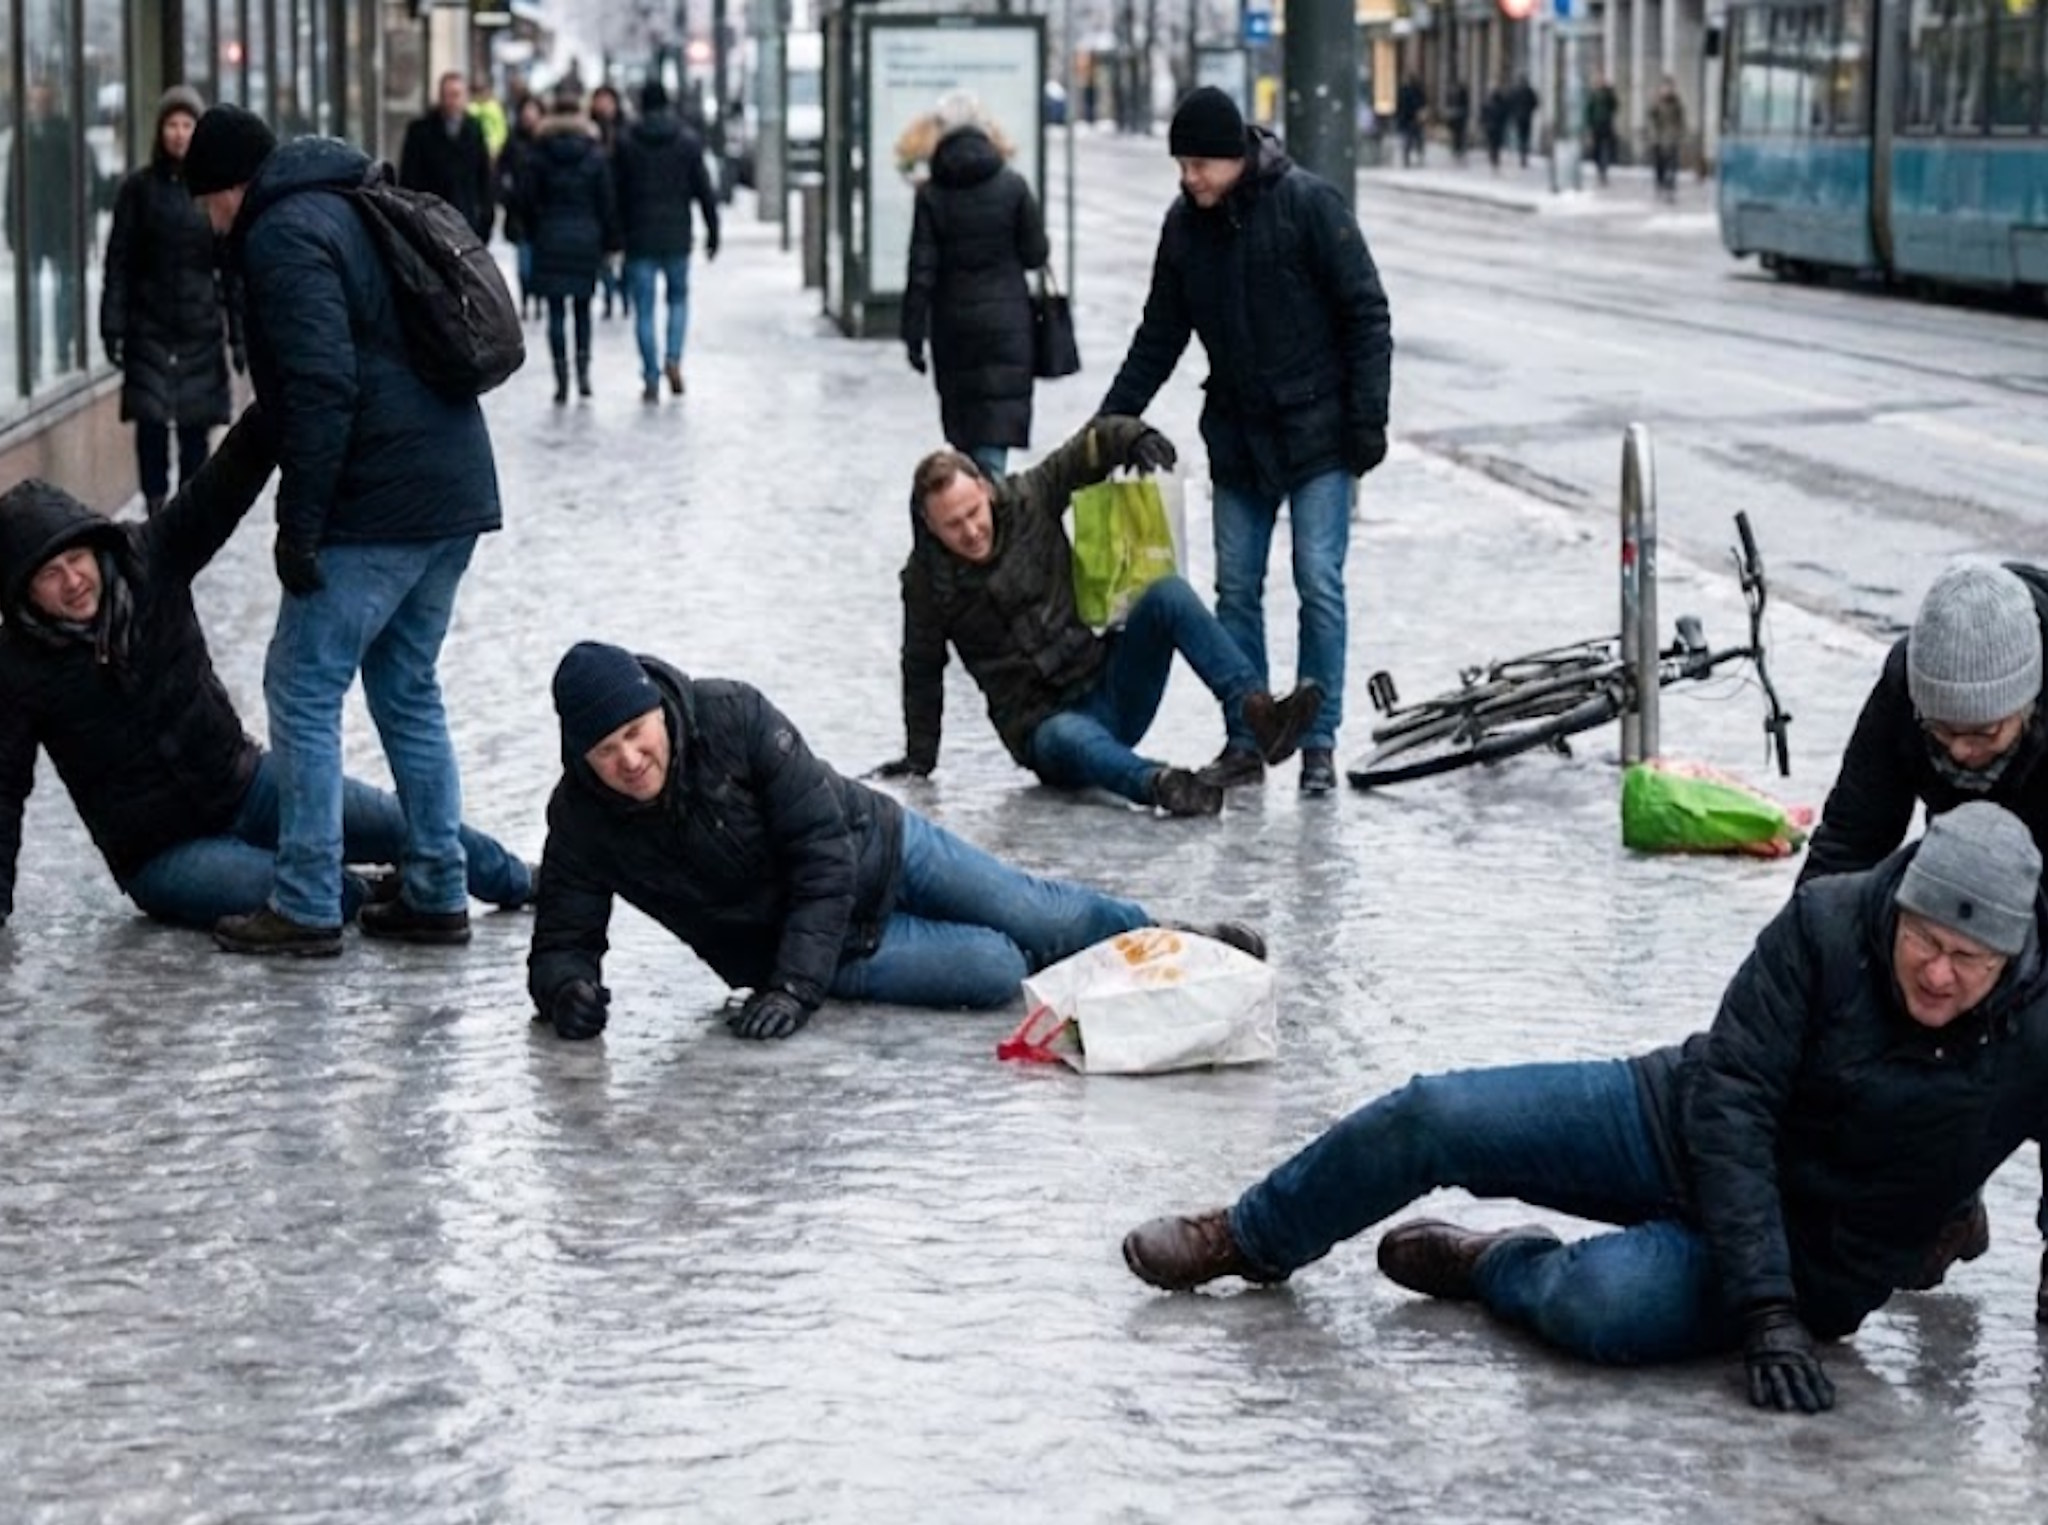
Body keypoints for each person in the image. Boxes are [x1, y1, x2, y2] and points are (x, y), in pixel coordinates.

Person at [1124, 803, 2048, 1413]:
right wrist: (1761, 1308)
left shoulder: (2037, 1029)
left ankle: (1493, 1262)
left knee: (1593, 1304)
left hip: (1814, 1253)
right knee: (1435, 1110)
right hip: (1674, 1119)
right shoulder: (1828, 923)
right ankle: (1249, 1234)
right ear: (1899, 908)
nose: (1938, 971)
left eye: (1969, 961)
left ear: (2012, 958)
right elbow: (1733, 1101)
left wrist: (1785, 1302)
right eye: (1925, 940)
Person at [528, 642, 1266, 1041]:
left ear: (657, 710)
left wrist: (792, 988)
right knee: (994, 967)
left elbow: (820, 847)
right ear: (580, 758)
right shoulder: (582, 819)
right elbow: (561, 936)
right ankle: (1083, 968)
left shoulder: (732, 715)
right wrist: (568, 993)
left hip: (878, 845)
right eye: (605, 751)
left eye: (635, 733)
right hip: (823, 947)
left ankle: (1171, 941)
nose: (628, 758)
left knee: (1043, 917)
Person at [0, 410, 532, 940]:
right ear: (24, 592)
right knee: (325, 896)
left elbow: (225, 481)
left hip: (248, 785)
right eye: (50, 574)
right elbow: (3, 789)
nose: (72, 581)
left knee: (401, 823)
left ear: (96, 547)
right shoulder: (18, 668)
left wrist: (284, 391)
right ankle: (375, 889)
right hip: (164, 855)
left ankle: (520, 879)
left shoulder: (149, 560)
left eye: (77, 559)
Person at [184, 104, 506, 957]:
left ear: (227, 188)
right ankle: (438, 887)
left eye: (204, 200)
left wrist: (303, 525)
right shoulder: (350, 200)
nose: (207, 220)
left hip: (383, 497)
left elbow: (322, 386)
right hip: (452, 484)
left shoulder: (283, 234)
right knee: (405, 684)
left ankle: (305, 899)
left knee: (301, 682)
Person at [1099, 87, 1393, 797]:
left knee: (1318, 580)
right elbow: (1159, 335)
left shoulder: (1308, 205)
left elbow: (1366, 313)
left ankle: (1318, 743)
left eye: (1199, 163)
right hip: (1237, 434)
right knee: (1237, 590)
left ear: (1235, 156)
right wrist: (1110, 424)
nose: (1188, 177)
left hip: (1319, 430)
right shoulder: (1183, 227)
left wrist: (1367, 424)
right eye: (1181, 164)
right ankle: (1249, 735)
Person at [1799, 561, 2048, 1310]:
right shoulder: (1906, 682)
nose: (1964, 755)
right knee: (1915, 985)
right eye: (1943, 736)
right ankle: (1945, 1201)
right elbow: (1847, 844)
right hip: (1965, 887)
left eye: (1985, 735)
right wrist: (1807, 979)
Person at [879, 418, 1326, 818]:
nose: (971, 531)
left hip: (1109, 684)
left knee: (1167, 594)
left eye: (973, 512)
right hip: (1044, 727)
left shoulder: (1030, 497)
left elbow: (1086, 449)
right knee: (1066, 736)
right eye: (953, 525)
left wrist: (1135, 439)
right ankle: (1163, 785)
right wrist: (920, 758)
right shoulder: (924, 582)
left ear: (986, 490)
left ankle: (1256, 714)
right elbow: (921, 668)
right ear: (929, 525)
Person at [100, 86, 239, 519]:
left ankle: (185, 514)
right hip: (149, 323)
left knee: (196, 430)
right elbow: (119, 260)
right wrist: (113, 323)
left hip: (199, 322)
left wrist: (239, 334)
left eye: (187, 125)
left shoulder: (210, 190)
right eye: (171, 125)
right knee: (152, 425)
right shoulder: (138, 190)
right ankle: (156, 506)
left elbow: (231, 267)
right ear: (159, 131)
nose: (179, 134)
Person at [901, 93, 1049, 480]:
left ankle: (974, 517)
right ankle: (991, 518)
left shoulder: (931, 195)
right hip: (1007, 327)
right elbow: (1036, 254)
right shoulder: (1013, 186)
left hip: (954, 331)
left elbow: (921, 271)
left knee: (965, 446)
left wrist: (913, 336)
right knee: (993, 443)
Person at [613, 79, 719, 404]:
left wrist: (614, 237)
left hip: (638, 236)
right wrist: (713, 230)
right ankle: (673, 358)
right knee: (678, 300)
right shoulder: (686, 141)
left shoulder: (626, 142)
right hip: (676, 234)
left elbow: (615, 194)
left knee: (644, 309)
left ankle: (650, 375)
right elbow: (704, 190)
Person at [520, 90, 620, 403]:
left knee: (555, 312)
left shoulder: (538, 153)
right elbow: (607, 202)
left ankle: (561, 378)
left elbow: (526, 199)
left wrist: (537, 228)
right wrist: (609, 240)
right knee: (582, 309)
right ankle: (583, 372)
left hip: (550, 236)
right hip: (585, 239)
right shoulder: (594, 154)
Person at [8, 80, 84, 384]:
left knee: (64, 289)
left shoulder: (65, 134)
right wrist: (10, 225)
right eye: (33, 101)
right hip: (33, 226)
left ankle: (63, 352)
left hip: (61, 227)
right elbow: (12, 185)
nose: (37, 106)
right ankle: (34, 357)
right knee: (33, 294)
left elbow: (79, 183)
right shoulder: (23, 138)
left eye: (42, 101)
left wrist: (80, 224)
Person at [398, 72, 495, 242]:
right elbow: (408, 178)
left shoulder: (474, 129)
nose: (451, 101)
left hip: (465, 222)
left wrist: (485, 219)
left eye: (456, 95)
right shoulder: (420, 131)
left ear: (465, 98)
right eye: (446, 95)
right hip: (431, 221)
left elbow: (484, 177)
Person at [498, 94, 545, 319]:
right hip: (519, 212)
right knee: (524, 266)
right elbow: (500, 171)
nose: (529, 116)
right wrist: (506, 193)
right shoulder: (513, 141)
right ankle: (527, 298)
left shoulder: (546, 141)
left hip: (544, 213)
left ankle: (537, 300)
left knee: (539, 263)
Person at [588, 84, 630, 320]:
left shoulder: (626, 130)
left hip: (622, 200)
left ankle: (623, 293)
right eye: (600, 100)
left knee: (624, 254)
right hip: (598, 202)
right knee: (603, 256)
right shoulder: (589, 131)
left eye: (608, 101)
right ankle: (609, 295)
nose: (603, 106)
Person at [1649, 76, 1687, 202]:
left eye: (1669, 87)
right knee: (1660, 166)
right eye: (1665, 87)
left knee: (1672, 166)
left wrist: (1680, 135)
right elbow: (1651, 119)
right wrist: (1653, 136)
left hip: (1672, 139)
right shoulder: (1656, 103)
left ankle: (1670, 189)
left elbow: (1681, 121)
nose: (1667, 90)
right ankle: (1660, 185)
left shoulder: (1677, 103)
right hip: (1658, 140)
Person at [1585, 73, 1620, 186]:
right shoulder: (1593, 95)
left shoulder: (1608, 93)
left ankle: (1603, 171)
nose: (1600, 82)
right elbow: (1588, 111)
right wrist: (1589, 126)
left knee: (1606, 149)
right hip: (1596, 126)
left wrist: (1610, 91)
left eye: (1602, 81)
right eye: (1599, 81)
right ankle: (1599, 169)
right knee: (1596, 150)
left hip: (1606, 125)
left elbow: (1615, 106)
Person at [1394, 74, 1427, 168]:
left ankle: (1411, 156)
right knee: (1412, 139)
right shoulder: (1412, 91)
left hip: (1410, 118)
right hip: (1410, 118)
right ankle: (1412, 156)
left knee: (1412, 139)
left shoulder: (1408, 91)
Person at [1508, 74, 1540, 167]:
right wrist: (1530, 111)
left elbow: (1510, 103)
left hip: (1519, 118)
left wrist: (1514, 114)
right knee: (1525, 137)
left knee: (1521, 136)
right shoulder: (1529, 91)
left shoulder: (1516, 91)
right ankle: (1524, 155)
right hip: (1527, 117)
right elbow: (1536, 103)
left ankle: (1522, 155)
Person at [1480, 81, 1510, 173]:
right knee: (1496, 144)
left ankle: (1492, 157)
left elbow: (1483, 115)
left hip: (1490, 127)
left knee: (1491, 143)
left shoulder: (1487, 104)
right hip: (1498, 128)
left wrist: (1483, 123)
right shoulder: (1502, 105)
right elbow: (1505, 116)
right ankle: (1495, 157)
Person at [1443, 77, 1472, 165]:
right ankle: (1456, 149)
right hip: (1455, 119)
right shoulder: (1451, 94)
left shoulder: (1462, 93)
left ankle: (1459, 149)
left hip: (1460, 118)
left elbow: (1466, 105)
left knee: (1460, 135)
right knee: (1456, 135)